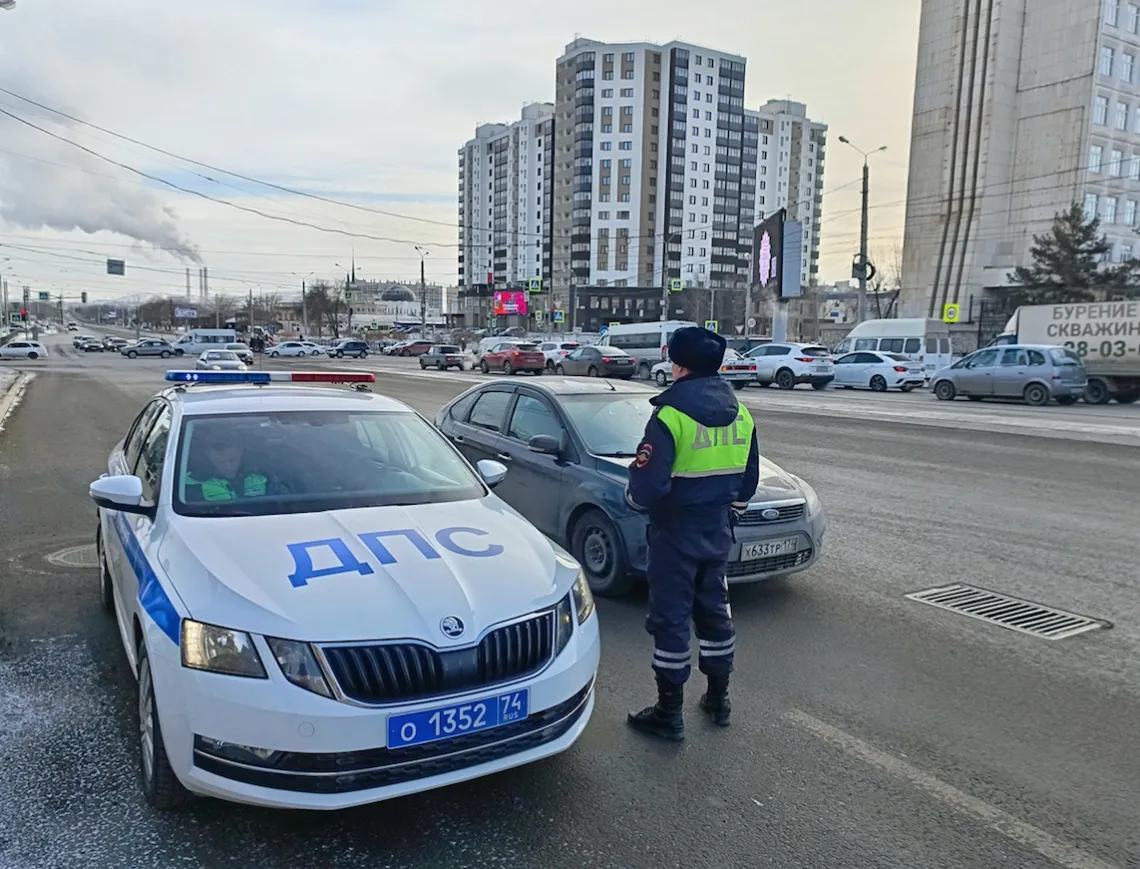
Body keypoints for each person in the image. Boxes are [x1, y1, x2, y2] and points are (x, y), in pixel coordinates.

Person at [624, 326, 759, 741]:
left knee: (671, 619)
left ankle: (669, 713)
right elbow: (748, 482)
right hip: (717, 532)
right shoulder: (742, 412)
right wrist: (727, 514)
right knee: (715, 613)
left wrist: (635, 497)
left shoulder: (669, 416)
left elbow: (647, 490)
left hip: (674, 535)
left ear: (678, 365)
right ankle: (719, 699)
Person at [183, 428, 268, 502]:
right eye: (219, 462)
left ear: (240, 451)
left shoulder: (263, 473)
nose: (228, 467)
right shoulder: (190, 484)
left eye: (232, 460)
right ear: (208, 455)